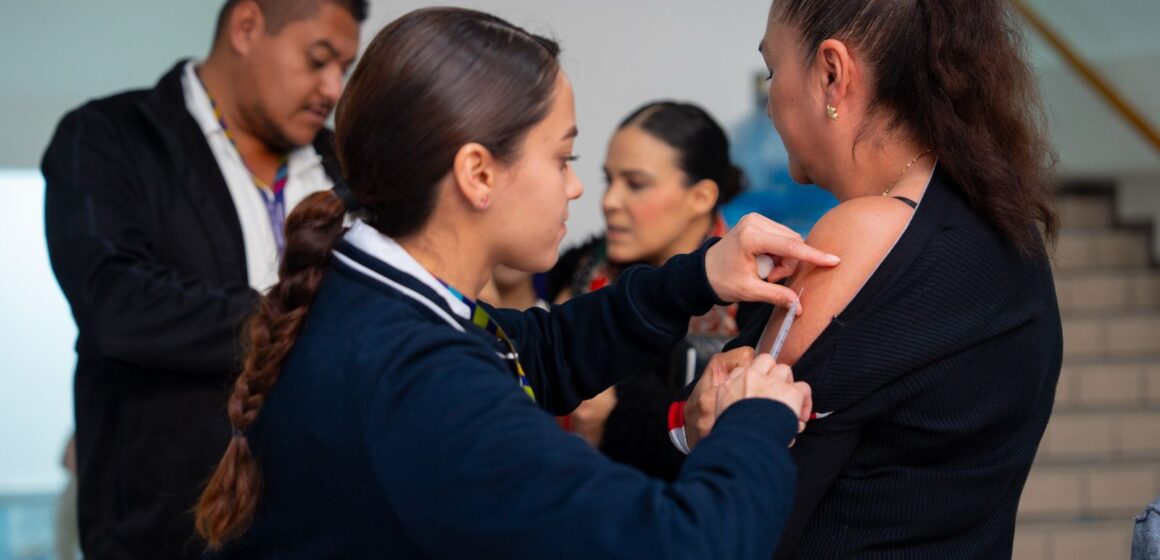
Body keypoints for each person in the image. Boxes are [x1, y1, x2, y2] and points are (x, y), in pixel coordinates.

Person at [193, 8, 840, 559]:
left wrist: (698, 276)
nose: (579, 187)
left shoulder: (369, 290)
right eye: (564, 158)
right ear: (478, 173)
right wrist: (754, 421)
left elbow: (538, 349)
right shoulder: (422, 377)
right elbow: (680, 543)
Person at [676, 0, 1063, 557]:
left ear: (832, 73)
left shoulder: (861, 236)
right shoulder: (1006, 228)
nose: (769, 102)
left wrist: (699, 423)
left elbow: (737, 517)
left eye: (772, 71)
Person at [40, 1, 365, 557]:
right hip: (166, 533)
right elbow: (115, 305)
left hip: (326, 526)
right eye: (318, 61)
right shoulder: (108, 138)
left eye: (345, 70)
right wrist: (305, 324)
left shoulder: (346, 167)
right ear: (246, 27)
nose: (333, 90)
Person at [549, 101, 748, 479]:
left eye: (636, 184)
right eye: (610, 180)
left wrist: (619, 418)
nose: (609, 201)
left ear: (701, 197)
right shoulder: (575, 271)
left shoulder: (756, 304)